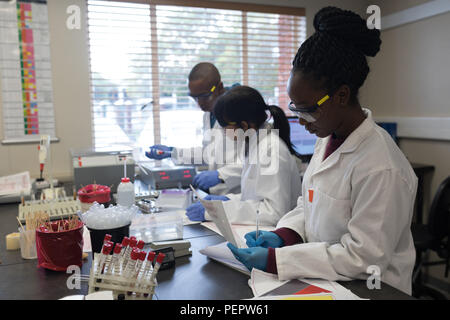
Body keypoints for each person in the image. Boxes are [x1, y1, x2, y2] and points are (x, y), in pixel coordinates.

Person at [227, 7, 418, 295]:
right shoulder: (327, 139)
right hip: (327, 281)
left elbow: (363, 258)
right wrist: (285, 235)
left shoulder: (382, 166)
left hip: (372, 290)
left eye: (307, 109)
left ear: (341, 95)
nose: (301, 121)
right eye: (295, 108)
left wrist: (278, 260)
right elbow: (310, 203)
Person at [185, 86, 302, 226]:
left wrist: (217, 210)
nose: (222, 132)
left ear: (244, 125)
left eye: (225, 127)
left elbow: (273, 213)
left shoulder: (271, 150)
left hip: (275, 236)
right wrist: (227, 200)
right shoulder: (255, 143)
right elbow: (254, 197)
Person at [145, 63, 242, 195]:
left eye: (204, 96)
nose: (199, 103)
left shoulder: (241, 110)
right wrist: (172, 152)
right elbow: (209, 153)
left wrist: (221, 175)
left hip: (241, 196)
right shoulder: (209, 114)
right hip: (220, 196)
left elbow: (260, 160)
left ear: (219, 87)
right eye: (194, 97)